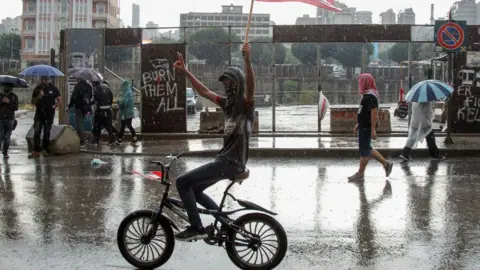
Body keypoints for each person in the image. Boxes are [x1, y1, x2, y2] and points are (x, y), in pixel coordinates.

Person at [172, 43, 255, 241]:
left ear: (238, 84)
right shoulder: (227, 105)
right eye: (225, 84)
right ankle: (227, 225)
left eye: (230, 83)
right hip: (225, 162)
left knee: (181, 182)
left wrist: (247, 59)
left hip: (229, 163)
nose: (226, 87)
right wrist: (186, 72)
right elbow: (204, 91)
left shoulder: (245, 105)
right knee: (195, 189)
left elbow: (251, 86)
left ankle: (196, 227)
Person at [348, 73, 393, 181]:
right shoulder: (368, 95)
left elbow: (373, 113)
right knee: (366, 149)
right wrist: (359, 124)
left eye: (361, 82)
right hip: (364, 125)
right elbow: (365, 112)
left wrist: (373, 129)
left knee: (365, 150)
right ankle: (384, 164)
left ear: (366, 82)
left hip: (366, 127)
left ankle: (361, 173)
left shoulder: (370, 96)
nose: (359, 84)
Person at [29, 76, 62, 158]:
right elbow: (32, 102)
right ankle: (36, 150)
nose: (46, 81)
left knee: (47, 132)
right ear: (41, 80)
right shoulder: (37, 89)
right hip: (39, 114)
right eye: (44, 79)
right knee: (37, 132)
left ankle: (45, 149)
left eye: (48, 79)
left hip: (49, 114)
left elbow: (59, 99)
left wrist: (55, 106)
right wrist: (39, 97)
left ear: (50, 80)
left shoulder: (53, 88)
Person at [67, 79, 92, 145]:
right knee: (81, 122)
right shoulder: (89, 86)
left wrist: (69, 106)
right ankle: (82, 138)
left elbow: (73, 98)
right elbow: (90, 97)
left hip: (79, 107)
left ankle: (82, 140)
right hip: (86, 108)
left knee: (79, 124)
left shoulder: (78, 86)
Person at [91, 80, 115, 147]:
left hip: (100, 110)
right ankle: (112, 139)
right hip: (108, 109)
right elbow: (111, 96)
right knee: (108, 125)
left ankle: (96, 141)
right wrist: (109, 104)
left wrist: (89, 104)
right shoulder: (106, 86)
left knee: (97, 126)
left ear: (94, 83)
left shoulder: (95, 88)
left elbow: (95, 100)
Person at [0, 83, 18, 158]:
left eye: (7, 86)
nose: (5, 87)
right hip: (1, 119)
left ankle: (5, 152)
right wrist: (2, 102)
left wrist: (9, 102)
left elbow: (16, 107)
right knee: (1, 136)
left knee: (7, 137)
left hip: (10, 119)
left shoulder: (14, 96)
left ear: (10, 87)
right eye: (4, 86)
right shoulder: (0, 95)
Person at [116, 80, 137, 144]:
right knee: (124, 125)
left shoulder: (127, 93)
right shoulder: (130, 92)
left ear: (125, 86)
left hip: (126, 113)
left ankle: (133, 137)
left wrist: (119, 102)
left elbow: (125, 102)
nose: (122, 88)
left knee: (126, 126)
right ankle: (121, 139)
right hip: (129, 112)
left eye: (123, 86)